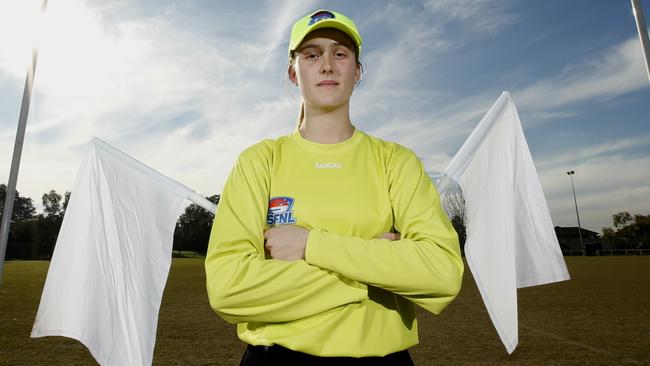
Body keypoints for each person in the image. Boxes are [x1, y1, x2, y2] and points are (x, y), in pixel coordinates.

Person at [205, 9, 463, 365]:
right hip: (275, 358)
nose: (327, 65)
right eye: (312, 54)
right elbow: (228, 289)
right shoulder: (259, 161)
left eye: (340, 53)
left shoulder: (397, 162)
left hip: (382, 358)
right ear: (294, 72)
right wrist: (373, 272)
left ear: (356, 71)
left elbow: (442, 273)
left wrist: (312, 245)